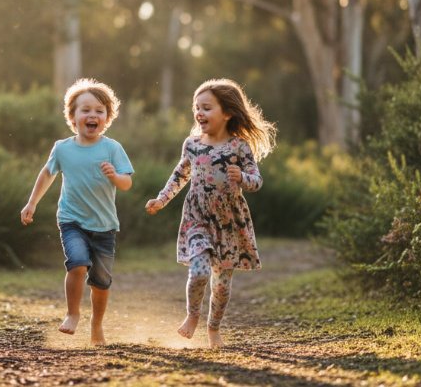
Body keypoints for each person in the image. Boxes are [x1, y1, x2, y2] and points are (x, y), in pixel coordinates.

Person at [145, 78, 276, 349]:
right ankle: (192, 315)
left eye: (206, 108)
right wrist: (161, 199)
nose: (199, 113)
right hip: (198, 217)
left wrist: (242, 177)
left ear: (227, 113)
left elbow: (257, 181)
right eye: (197, 107)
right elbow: (179, 175)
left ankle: (213, 327)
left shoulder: (239, 147)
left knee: (223, 284)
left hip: (229, 222)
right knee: (200, 271)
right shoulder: (192, 144)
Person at [20, 78, 134, 346]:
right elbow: (47, 174)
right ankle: (72, 314)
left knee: (101, 281)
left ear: (107, 117)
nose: (92, 115)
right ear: (72, 117)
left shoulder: (112, 148)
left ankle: (97, 326)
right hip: (72, 221)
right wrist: (31, 203)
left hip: (104, 224)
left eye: (99, 110)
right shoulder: (63, 148)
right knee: (78, 263)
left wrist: (115, 175)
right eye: (85, 110)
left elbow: (127, 183)